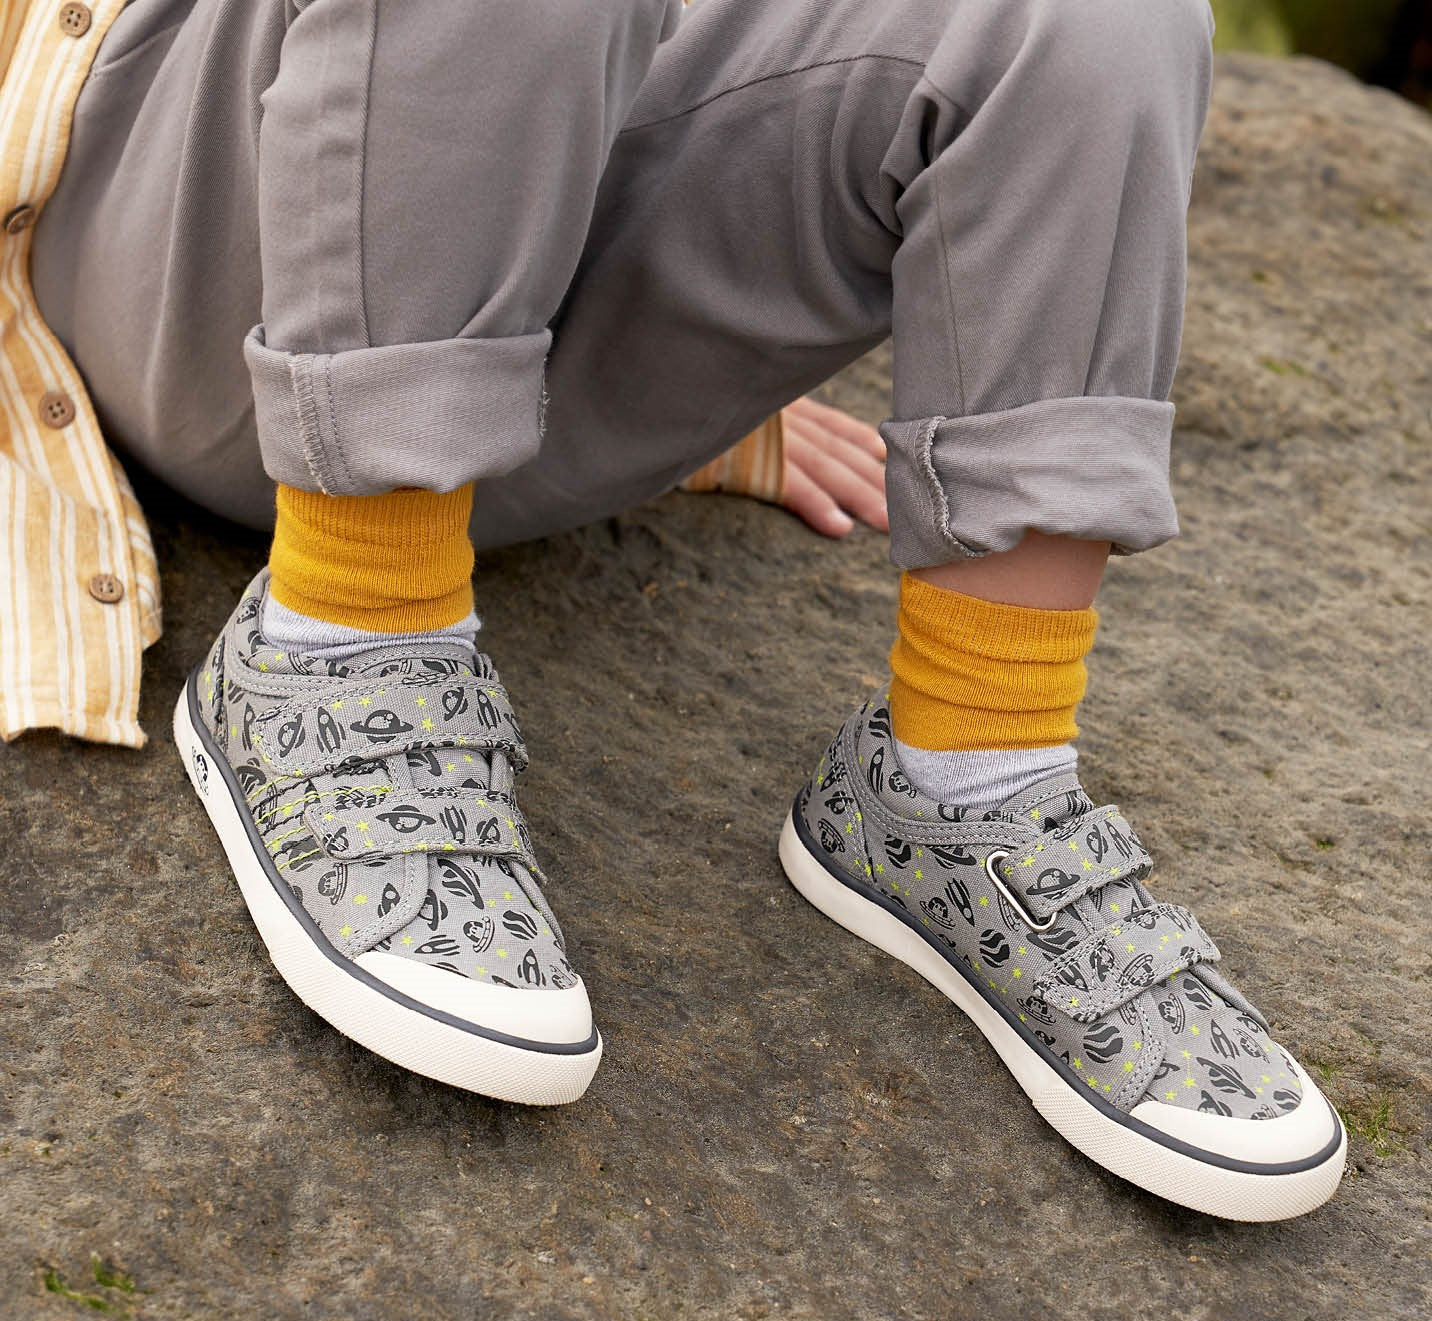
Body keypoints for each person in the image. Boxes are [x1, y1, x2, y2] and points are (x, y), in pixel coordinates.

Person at [0, 0, 1345, 1221]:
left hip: (548, 215)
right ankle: (348, 622)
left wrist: (704, 398)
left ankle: (972, 770)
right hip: (176, 225)